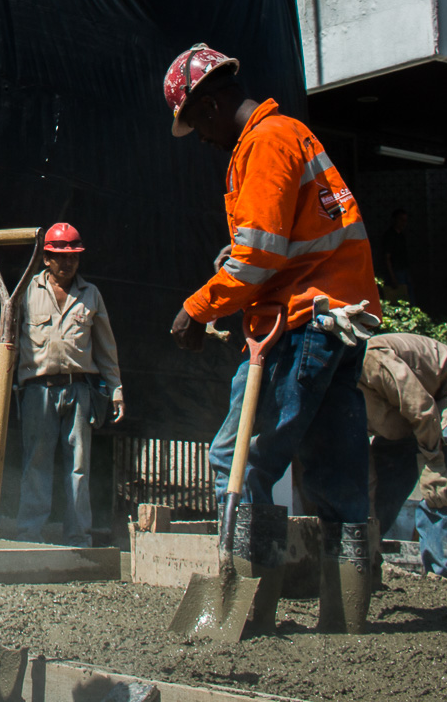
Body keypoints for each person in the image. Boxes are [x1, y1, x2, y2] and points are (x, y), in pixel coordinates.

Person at [162, 43, 383, 632]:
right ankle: (348, 620)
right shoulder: (294, 134)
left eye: (196, 124)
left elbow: (258, 255)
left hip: (300, 325)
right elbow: (288, 241)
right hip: (339, 322)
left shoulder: (262, 144)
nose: (203, 141)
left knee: (238, 459)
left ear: (209, 106)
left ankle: (246, 608)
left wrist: (196, 307)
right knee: (336, 474)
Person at [11, 223, 123, 546]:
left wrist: (116, 390)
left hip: (79, 391)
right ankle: (29, 536)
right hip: (37, 391)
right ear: (46, 258)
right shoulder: (27, 291)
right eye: (60, 256)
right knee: (36, 463)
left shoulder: (91, 296)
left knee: (78, 467)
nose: (67, 263)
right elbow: (9, 338)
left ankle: (78, 539)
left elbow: (106, 349)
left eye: (73, 256)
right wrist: (0, 382)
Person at [360, 332, 447, 580]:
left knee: (437, 486)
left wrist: (434, 461)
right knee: (382, 489)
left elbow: (421, 408)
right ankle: (365, 563)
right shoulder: (333, 399)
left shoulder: (371, 361)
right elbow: (365, 470)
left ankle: (443, 574)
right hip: (402, 414)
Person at [378, 209, 412, 301]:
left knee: (407, 296)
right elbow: (387, 257)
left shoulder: (401, 235)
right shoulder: (390, 236)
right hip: (396, 271)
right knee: (399, 298)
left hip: (403, 269)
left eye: (405, 220)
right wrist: (392, 276)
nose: (403, 223)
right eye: (401, 220)